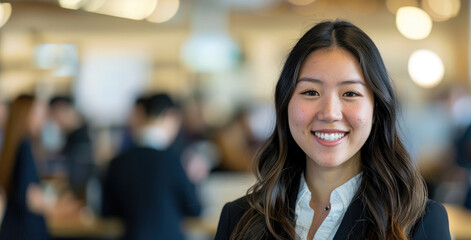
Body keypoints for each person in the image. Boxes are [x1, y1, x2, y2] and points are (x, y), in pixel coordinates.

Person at [214, 20, 450, 240]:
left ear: (376, 110)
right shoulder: (238, 219)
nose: (329, 112)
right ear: (285, 105)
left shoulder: (421, 223)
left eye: (350, 94)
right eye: (311, 92)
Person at [101, 93, 201, 240]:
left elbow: (106, 211)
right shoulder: (173, 160)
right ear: (170, 116)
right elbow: (195, 209)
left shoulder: (118, 162)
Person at [0, 95, 50, 240]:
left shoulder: (12, 146)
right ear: (25, 114)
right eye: (38, 114)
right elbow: (27, 195)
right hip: (26, 229)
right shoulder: (25, 146)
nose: (42, 120)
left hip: (13, 226)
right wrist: (53, 204)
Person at [49, 96, 94, 201]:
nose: (54, 121)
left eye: (55, 114)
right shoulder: (71, 136)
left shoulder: (81, 139)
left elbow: (79, 177)